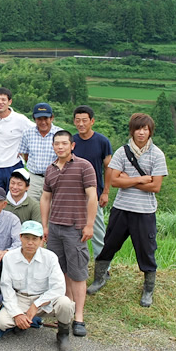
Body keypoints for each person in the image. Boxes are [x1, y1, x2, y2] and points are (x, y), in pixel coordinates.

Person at [87, 113, 167, 308]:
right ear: (132, 131)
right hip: (121, 209)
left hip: (144, 211)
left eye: (145, 129)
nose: (141, 132)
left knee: (147, 250)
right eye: (138, 129)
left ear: (150, 131)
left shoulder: (157, 154)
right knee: (109, 245)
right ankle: (99, 278)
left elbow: (156, 186)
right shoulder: (122, 152)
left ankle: (148, 289)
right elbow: (114, 181)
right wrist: (140, 179)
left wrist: (127, 180)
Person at [40, 130, 97, 337]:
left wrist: (89, 225)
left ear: (72, 146)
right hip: (54, 228)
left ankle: (79, 318)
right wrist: (44, 226)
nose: (60, 147)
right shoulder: (51, 169)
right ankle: (67, 312)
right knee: (60, 273)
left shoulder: (84, 166)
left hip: (75, 228)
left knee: (78, 274)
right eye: (57, 144)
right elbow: (45, 198)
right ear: (53, 146)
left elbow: (92, 197)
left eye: (64, 143)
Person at [0, 221, 76, 351]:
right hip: (20, 298)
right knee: (1, 322)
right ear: (20, 237)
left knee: (65, 303)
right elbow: (6, 288)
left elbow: (58, 288)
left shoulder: (50, 257)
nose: (30, 243)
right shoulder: (9, 257)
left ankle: (63, 334)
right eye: (26, 238)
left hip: (44, 299)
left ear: (42, 240)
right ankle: (23, 322)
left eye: (34, 239)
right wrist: (17, 313)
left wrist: (36, 305)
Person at [72, 105, 113, 262]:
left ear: (92, 121)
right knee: (74, 232)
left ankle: (103, 268)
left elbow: (108, 167)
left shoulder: (102, 141)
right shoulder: (72, 141)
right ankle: (78, 263)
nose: (81, 124)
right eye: (77, 120)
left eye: (84, 120)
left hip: (94, 195)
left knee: (97, 232)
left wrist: (106, 192)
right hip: (74, 195)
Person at [19, 102, 63, 200]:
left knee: (53, 208)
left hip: (55, 177)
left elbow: (65, 158)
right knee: (32, 207)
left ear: (51, 118)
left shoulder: (60, 134)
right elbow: (26, 155)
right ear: (34, 119)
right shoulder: (27, 134)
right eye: (39, 119)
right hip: (34, 179)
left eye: (46, 119)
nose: (43, 122)